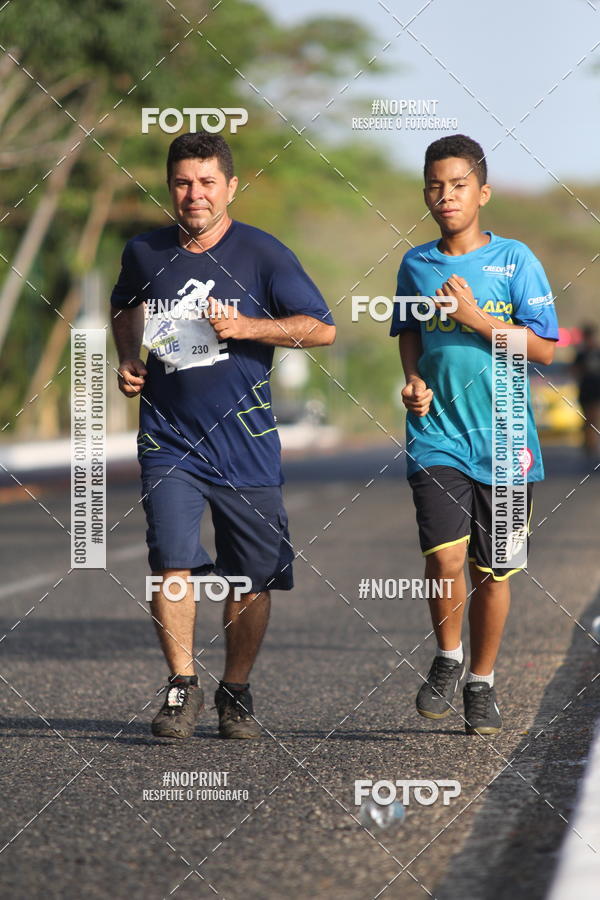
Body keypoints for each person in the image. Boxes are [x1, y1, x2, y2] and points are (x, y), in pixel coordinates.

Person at [110, 132, 335, 740]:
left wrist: (248, 326)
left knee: (249, 576)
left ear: (231, 187)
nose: (195, 194)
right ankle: (181, 686)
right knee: (171, 563)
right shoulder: (145, 251)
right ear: (170, 187)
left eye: (207, 182)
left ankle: (234, 690)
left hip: (244, 442)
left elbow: (321, 328)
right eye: (184, 182)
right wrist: (130, 356)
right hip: (168, 440)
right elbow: (123, 303)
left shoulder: (263, 254)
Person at [390, 134, 558, 735]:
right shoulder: (416, 264)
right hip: (437, 435)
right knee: (446, 559)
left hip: (509, 442)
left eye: (458, 185)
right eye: (436, 186)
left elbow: (540, 348)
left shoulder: (517, 261)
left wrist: (477, 319)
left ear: (481, 192)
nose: (446, 196)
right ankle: (447, 656)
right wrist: (412, 379)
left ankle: (481, 682)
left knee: (494, 573)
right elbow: (409, 332)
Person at [572, 323, 600, 457]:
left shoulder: (597, 352)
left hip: (596, 391)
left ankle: (592, 443)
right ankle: (589, 444)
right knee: (587, 419)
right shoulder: (582, 354)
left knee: (594, 417)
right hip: (585, 391)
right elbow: (574, 370)